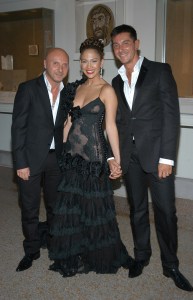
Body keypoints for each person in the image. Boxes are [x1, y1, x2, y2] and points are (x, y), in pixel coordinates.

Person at [109, 24, 193, 292]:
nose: (120, 48)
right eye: (115, 45)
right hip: (131, 158)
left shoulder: (160, 71)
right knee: (137, 211)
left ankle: (170, 265)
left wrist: (167, 158)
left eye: (125, 43)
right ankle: (141, 255)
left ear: (136, 43)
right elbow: (120, 122)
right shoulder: (116, 80)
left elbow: (171, 116)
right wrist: (117, 156)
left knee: (166, 213)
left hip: (158, 157)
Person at [48, 38, 133, 277]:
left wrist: (116, 160)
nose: (89, 65)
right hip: (72, 159)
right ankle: (77, 253)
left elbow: (111, 129)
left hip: (93, 160)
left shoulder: (107, 90)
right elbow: (68, 124)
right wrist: (62, 151)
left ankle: (99, 256)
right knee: (73, 211)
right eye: (84, 61)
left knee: (94, 212)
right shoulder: (75, 87)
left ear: (102, 62)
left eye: (93, 61)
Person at [11, 48, 69, 272]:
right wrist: (20, 163)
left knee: (56, 207)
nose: (60, 68)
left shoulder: (67, 92)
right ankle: (31, 250)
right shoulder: (28, 89)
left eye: (64, 65)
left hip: (57, 160)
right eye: (56, 63)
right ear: (45, 63)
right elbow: (18, 129)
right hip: (31, 160)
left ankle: (55, 245)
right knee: (29, 207)